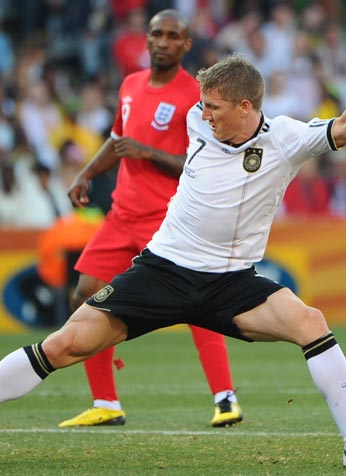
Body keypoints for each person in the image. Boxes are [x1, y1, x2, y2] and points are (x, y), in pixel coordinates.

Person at [0, 48, 346, 469]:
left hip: (232, 283)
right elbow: (138, 132)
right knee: (64, 345)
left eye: (215, 107)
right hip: (163, 270)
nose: (203, 115)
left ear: (247, 107)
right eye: (203, 104)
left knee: (311, 322)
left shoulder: (287, 138)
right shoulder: (194, 121)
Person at [60, 9, 242, 428]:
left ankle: (225, 398)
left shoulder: (193, 98)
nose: (163, 42)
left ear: (186, 45)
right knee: (84, 294)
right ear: (147, 39)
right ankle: (105, 403)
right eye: (156, 34)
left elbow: (201, 161)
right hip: (121, 215)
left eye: (173, 35)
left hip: (167, 218)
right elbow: (117, 141)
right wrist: (86, 172)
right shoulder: (130, 85)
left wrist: (149, 153)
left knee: (199, 303)